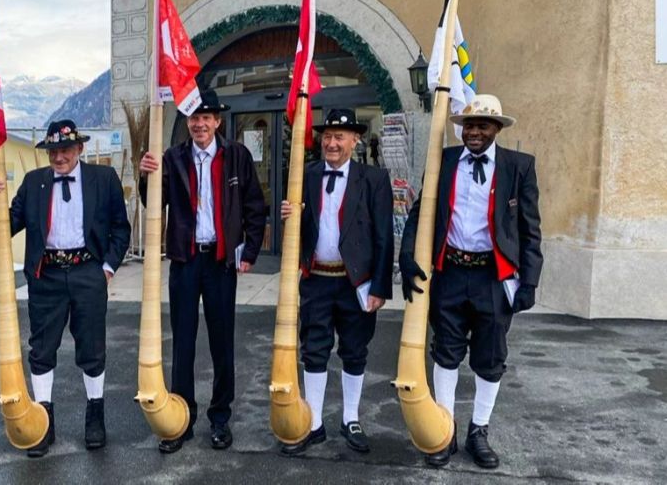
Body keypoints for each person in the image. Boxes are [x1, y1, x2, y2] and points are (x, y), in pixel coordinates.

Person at [398, 94, 543, 469]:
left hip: (493, 278)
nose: (474, 132)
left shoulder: (519, 167)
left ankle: (479, 430)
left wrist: (529, 281)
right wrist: (407, 256)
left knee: (490, 357)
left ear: (496, 128)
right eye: (468, 125)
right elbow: (420, 213)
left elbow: (530, 230)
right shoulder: (443, 161)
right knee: (445, 351)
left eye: (482, 125)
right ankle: (444, 427)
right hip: (449, 274)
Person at [0, 119, 130, 457]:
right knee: (42, 348)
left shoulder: (102, 179)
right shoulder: (34, 182)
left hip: (87, 272)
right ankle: (43, 419)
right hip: (46, 275)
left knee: (92, 346)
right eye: (53, 150)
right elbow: (8, 227)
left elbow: (120, 228)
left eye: (65, 149)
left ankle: (95, 414)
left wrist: (106, 269)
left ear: (79, 149)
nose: (59, 156)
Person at [139, 89, 266, 453]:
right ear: (188, 123)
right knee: (182, 341)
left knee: (222, 341)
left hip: (220, 261)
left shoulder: (236, 156)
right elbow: (154, 203)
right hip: (185, 259)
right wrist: (146, 174)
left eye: (206, 118)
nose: (200, 124)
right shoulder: (172, 157)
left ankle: (220, 418)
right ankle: (182, 418)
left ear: (217, 122)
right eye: (194, 118)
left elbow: (255, 206)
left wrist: (250, 251)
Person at [278, 108, 394, 456]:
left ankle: (350, 417)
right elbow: (302, 224)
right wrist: (290, 216)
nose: (331, 143)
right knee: (314, 349)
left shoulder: (373, 179)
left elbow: (384, 235)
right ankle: (312, 423)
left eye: (339, 137)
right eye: (327, 136)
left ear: (354, 140)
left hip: (354, 281)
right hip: (317, 278)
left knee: (354, 350)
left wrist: (379, 287)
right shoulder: (306, 175)